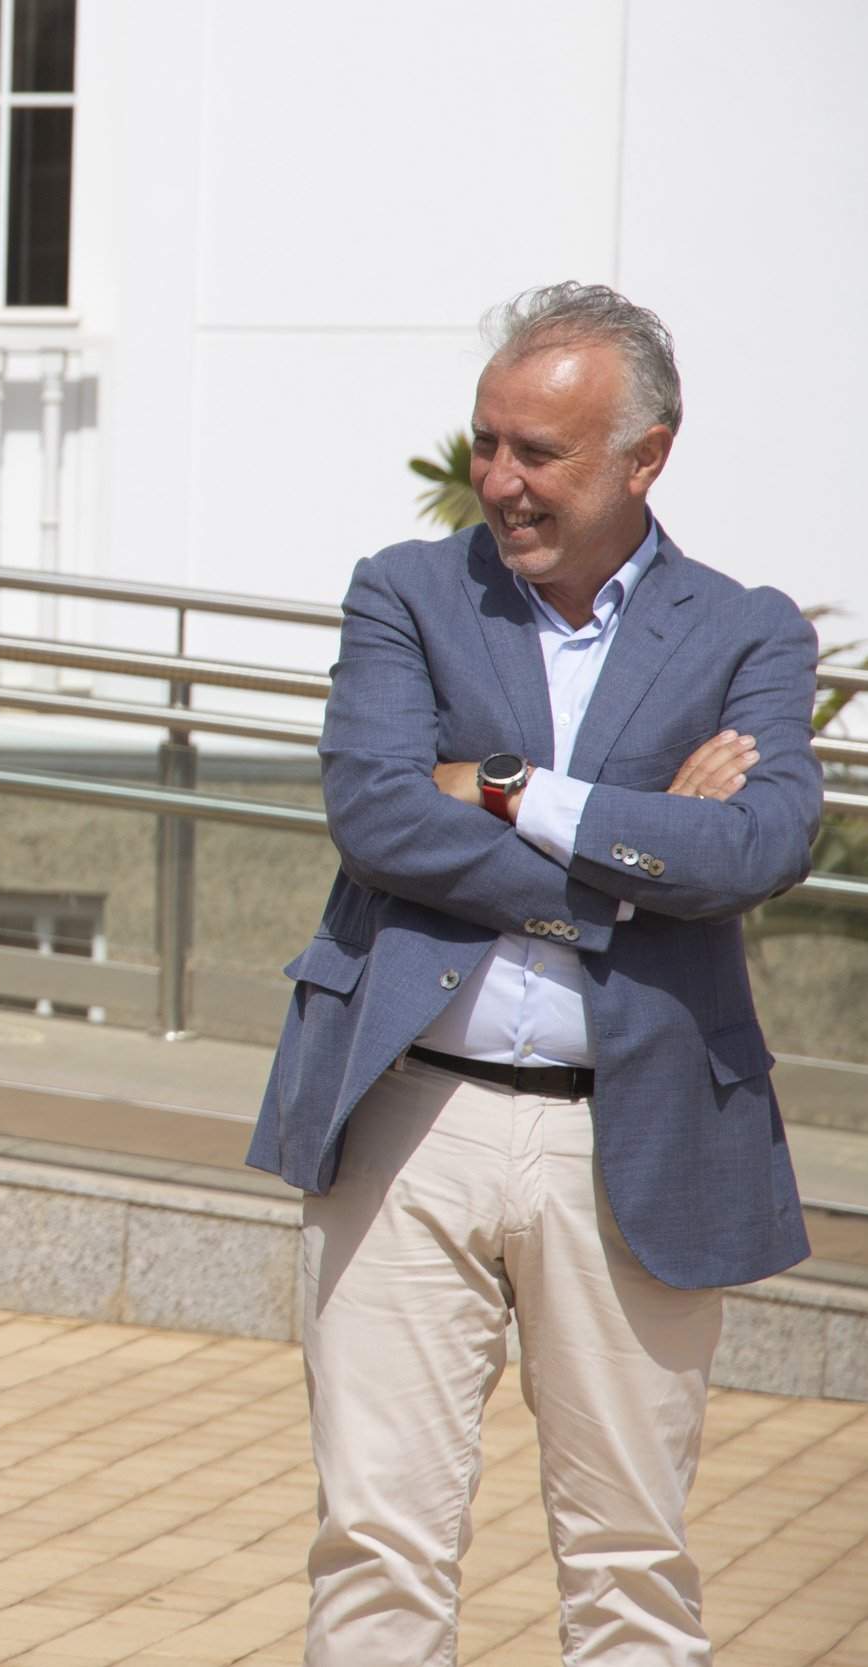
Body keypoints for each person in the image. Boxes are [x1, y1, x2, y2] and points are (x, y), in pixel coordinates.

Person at [249, 282, 821, 1665]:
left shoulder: (747, 630)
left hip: (636, 1131)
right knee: (377, 1545)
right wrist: (638, 864)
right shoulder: (408, 591)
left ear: (647, 455)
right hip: (409, 1114)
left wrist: (503, 789)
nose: (498, 482)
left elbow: (761, 840)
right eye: (486, 443)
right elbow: (380, 815)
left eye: (539, 454)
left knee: (631, 1561)